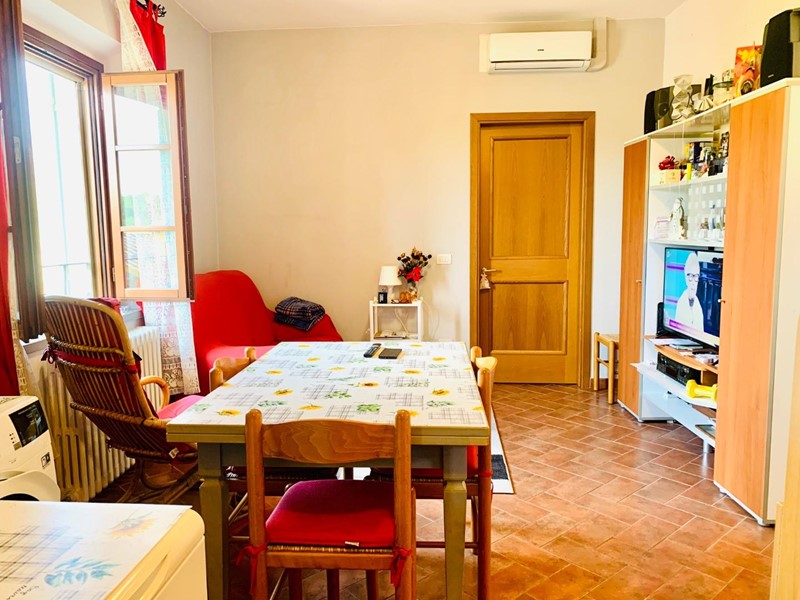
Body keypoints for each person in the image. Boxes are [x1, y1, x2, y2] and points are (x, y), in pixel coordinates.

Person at [675, 252, 705, 332]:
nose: (693, 282)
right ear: (686, 278)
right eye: (690, 276)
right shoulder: (681, 303)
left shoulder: (698, 306)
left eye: (696, 276)